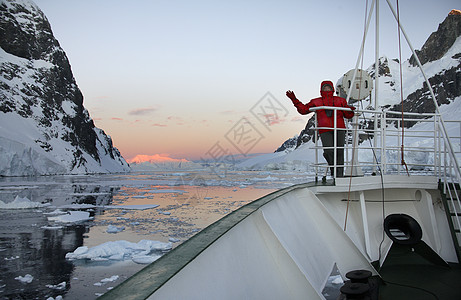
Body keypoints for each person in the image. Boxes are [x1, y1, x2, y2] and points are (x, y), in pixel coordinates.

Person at [286, 80, 355, 177]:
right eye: (324, 88)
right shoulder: (316, 101)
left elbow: (347, 115)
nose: (327, 89)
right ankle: (334, 171)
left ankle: (339, 175)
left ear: (332, 89)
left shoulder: (340, 101)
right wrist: (294, 100)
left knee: (339, 151)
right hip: (325, 129)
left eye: (329, 88)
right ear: (321, 90)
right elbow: (303, 110)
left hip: (339, 128)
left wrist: (350, 110)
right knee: (328, 151)